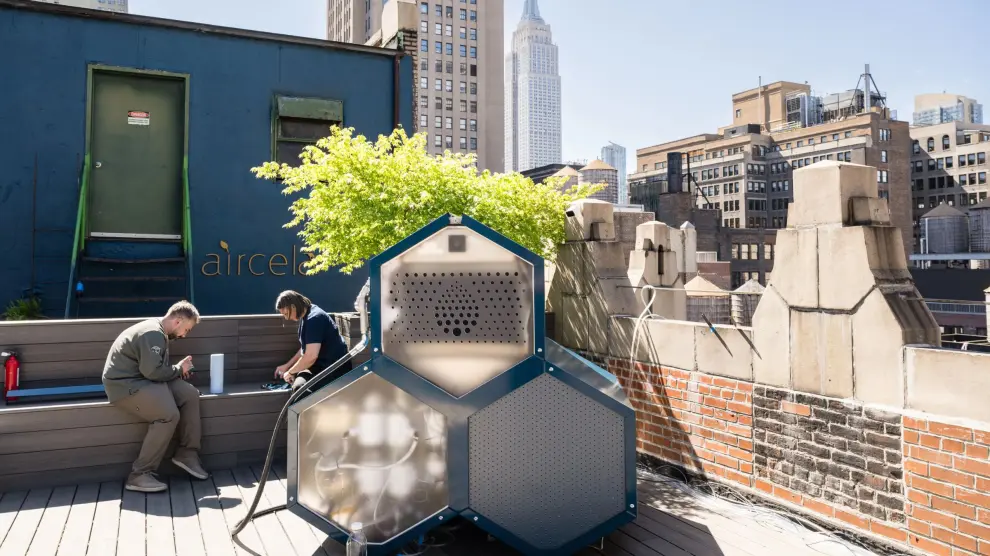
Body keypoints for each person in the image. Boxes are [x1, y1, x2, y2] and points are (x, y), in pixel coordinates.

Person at [102, 301, 208, 493]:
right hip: (126, 385)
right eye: (186, 329)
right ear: (177, 321)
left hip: (144, 380)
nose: (184, 335)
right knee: (168, 415)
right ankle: (139, 474)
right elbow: (152, 372)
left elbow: (154, 370)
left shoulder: (159, 332)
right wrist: (178, 369)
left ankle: (187, 454)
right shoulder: (152, 333)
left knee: (189, 394)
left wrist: (177, 371)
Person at [274, 290, 351, 393]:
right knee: (298, 386)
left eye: (286, 314)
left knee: (300, 390)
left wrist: (291, 372)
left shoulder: (314, 318)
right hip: (317, 367)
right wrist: (287, 366)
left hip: (331, 369)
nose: (287, 318)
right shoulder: (306, 315)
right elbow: (306, 348)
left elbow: (311, 356)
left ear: (293, 306)